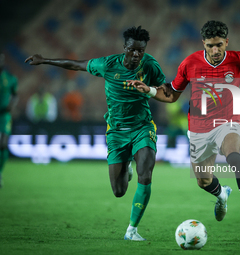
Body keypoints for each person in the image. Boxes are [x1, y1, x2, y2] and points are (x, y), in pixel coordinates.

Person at [129, 20, 240, 233]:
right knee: (203, 180)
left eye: (219, 45)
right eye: (210, 45)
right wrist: (150, 90)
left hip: (227, 122)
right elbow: (172, 95)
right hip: (198, 128)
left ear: (226, 42)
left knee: (233, 155)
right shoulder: (189, 63)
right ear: (203, 44)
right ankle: (222, 194)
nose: (215, 50)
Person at [25, 26, 166, 240]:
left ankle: (132, 230)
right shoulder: (108, 64)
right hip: (116, 132)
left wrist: (151, 90)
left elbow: (165, 89)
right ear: (124, 48)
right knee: (119, 191)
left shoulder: (150, 65)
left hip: (142, 127)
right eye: (132, 50)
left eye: (141, 51)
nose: (137, 55)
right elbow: (76, 64)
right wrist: (45, 60)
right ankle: (127, 161)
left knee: (145, 175)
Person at [0, 53, 18, 188]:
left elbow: (15, 95)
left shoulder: (10, 78)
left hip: (4, 115)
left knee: (3, 144)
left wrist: (11, 106)